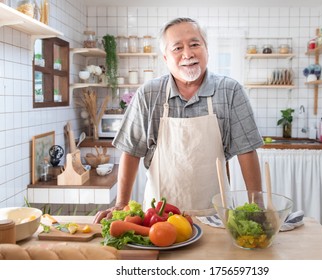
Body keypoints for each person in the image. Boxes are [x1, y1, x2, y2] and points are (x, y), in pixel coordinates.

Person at [93, 17, 264, 223]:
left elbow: (247, 151)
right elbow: (130, 151)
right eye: (177, 48)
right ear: (165, 57)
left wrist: (257, 206)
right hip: (157, 219)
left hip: (216, 216)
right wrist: (121, 205)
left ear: (206, 49)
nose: (188, 53)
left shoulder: (230, 91)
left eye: (194, 44)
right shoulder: (149, 94)